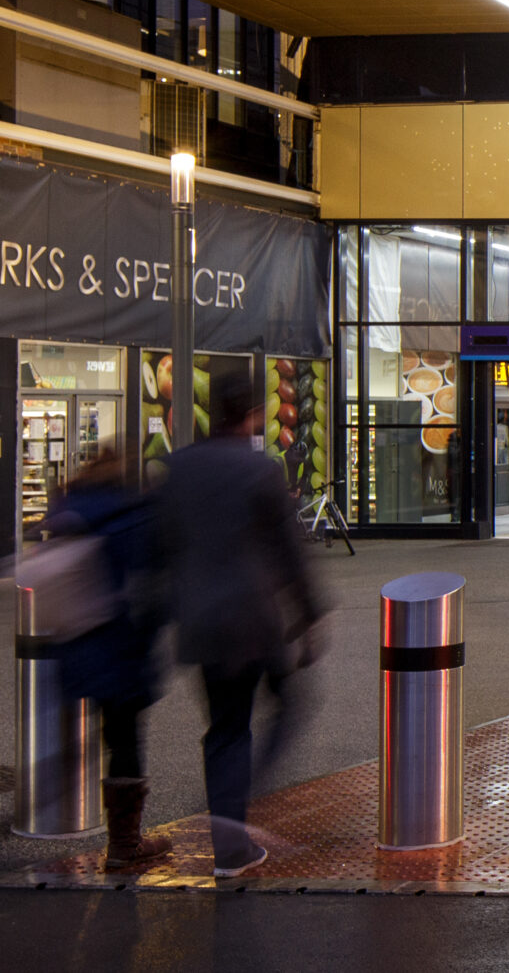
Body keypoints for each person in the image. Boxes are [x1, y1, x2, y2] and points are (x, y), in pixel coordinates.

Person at [158, 367, 325, 877]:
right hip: (254, 624)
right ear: (253, 415)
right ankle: (245, 802)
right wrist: (310, 617)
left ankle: (231, 831)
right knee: (290, 702)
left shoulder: (178, 467)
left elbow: (161, 546)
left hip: (202, 624)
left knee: (225, 728)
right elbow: (289, 554)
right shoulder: (261, 472)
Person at [42, 448, 168, 868]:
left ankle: (51, 793)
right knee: (124, 741)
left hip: (71, 646)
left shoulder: (66, 508)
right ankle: (124, 845)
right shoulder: (132, 515)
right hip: (118, 650)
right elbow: (147, 590)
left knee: (78, 733)